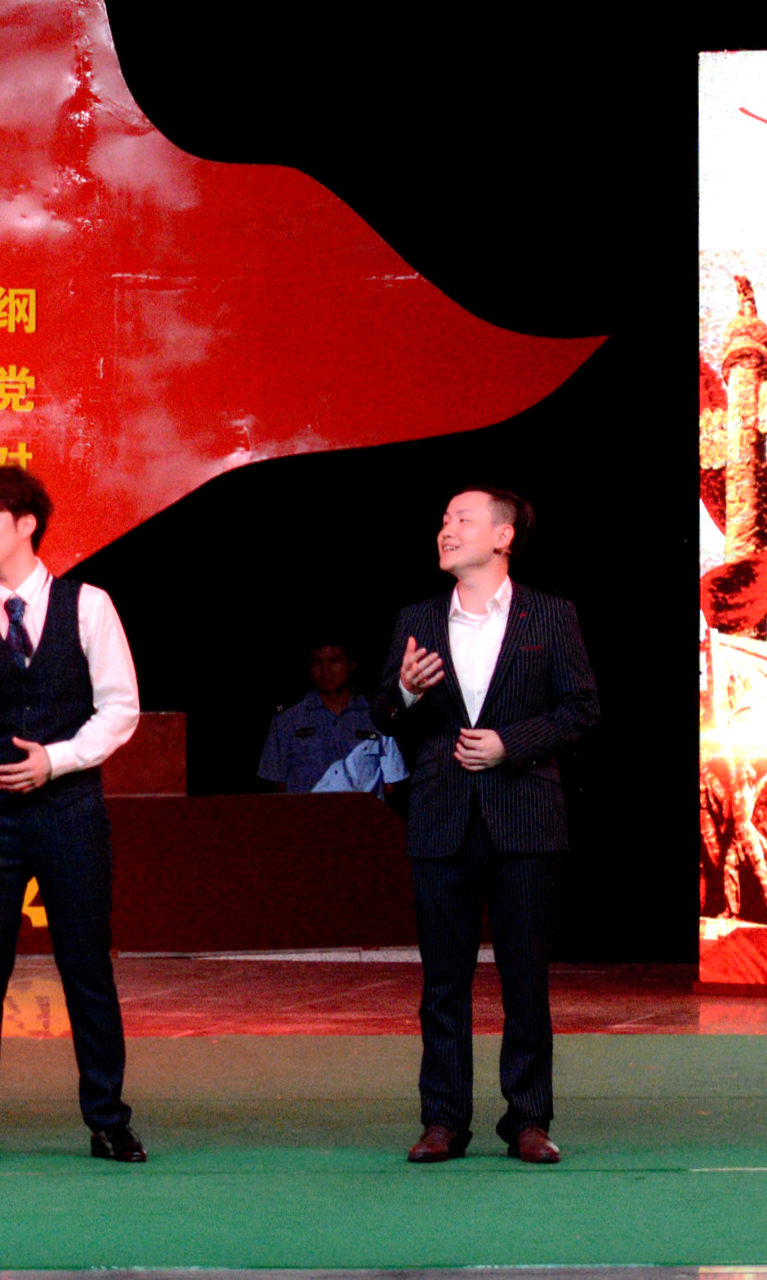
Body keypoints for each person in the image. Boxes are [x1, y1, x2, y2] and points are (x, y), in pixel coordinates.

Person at [0, 465, 145, 1166]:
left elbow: (120, 707)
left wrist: (57, 759)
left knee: (86, 966)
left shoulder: (88, 604)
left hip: (68, 807)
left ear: (25, 524)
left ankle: (107, 1118)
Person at [377, 487, 597, 1167]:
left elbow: (581, 708)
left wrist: (510, 743)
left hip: (525, 817)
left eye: (462, 519)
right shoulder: (417, 617)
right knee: (442, 982)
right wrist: (407, 690)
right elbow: (383, 711)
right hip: (441, 816)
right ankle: (443, 1120)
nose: (445, 530)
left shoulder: (550, 614)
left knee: (524, 979)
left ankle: (528, 1119)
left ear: (503, 537)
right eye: (443, 520)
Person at [257, 642, 389, 793]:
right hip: (307, 808)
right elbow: (275, 781)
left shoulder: (377, 716)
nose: (325, 670)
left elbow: (392, 782)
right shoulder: (288, 720)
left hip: (363, 809)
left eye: (333, 660)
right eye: (317, 661)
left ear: (352, 664)